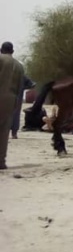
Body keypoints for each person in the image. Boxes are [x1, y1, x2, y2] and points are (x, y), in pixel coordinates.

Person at [0, 41, 25, 169]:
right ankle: (1, 161)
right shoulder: (19, 66)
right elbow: (20, 88)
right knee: (4, 132)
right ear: (13, 51)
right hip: (10, 100)